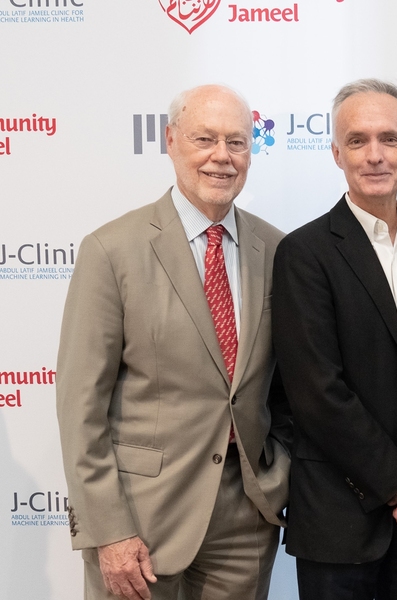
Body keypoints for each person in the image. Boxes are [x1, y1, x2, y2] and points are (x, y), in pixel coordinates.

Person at [56, 84, 291, 600]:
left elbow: (291, 384)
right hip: (141, 517)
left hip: (246, 516)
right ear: (170, 141)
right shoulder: (111, 250)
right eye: (204, 138)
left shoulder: (276, 249)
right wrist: (109, 529)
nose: (221, 157)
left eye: (237, 142)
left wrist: (280, 474)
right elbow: (81, 407)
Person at [271, 79, 397, 600]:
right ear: (336, 152)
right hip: (340, 521)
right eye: (357, 141)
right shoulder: (304, 253)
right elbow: (317, 393)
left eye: (388, 138)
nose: (375, 155)